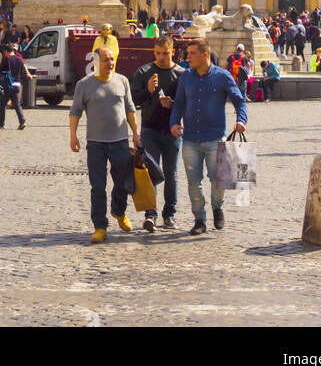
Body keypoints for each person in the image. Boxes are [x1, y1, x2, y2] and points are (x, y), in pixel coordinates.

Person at [170, 37, 247, 235]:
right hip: (190, 139)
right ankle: (199, 219)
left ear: (204, 55)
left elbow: (239, 101)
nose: (187, 58)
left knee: (218, 179)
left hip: (215, 138)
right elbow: (178, 102)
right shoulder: (186, 76)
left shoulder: (222, 76)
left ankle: (217, 208)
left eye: (191, 54)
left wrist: (241, 120)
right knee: (193, 182)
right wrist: (174, 122)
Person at [70, 45, 143, 242]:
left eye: (112, 59)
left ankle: (118, 212)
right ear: (96, 62)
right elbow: (75, 111)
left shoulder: (122, 81)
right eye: (105, 60)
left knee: (123, 183)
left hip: (120, 141)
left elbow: (130, 109)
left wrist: (135, 133)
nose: (110, 63)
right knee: (98, 186)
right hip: (95, 144)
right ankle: (100, 226)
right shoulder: (84, 84)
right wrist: (73, 135)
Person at [130, 34, 182, 231]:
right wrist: (149, 91)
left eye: (166, 53)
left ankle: (169, 214)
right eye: (158, 53)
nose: (161, 57)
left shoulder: (181, 73)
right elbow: (133, 100)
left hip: (172, 131)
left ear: (173, 52)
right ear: (154, 52)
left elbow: (186, 103)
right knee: (150, 173)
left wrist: (173, 104)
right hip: (150, 129)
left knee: (171, 174)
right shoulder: (144, 72)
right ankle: (150, 214)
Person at [0, 42, 29, 130]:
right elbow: (21, 71)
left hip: (7, 84)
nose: (4, 54)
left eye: (4, 52)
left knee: (3, 104)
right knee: (17, 104)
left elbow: (0, 71)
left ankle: (1, 123)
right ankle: (22, 121)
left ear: (7, 51)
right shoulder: (19, 59)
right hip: (17, 84)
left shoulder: (6, 59)